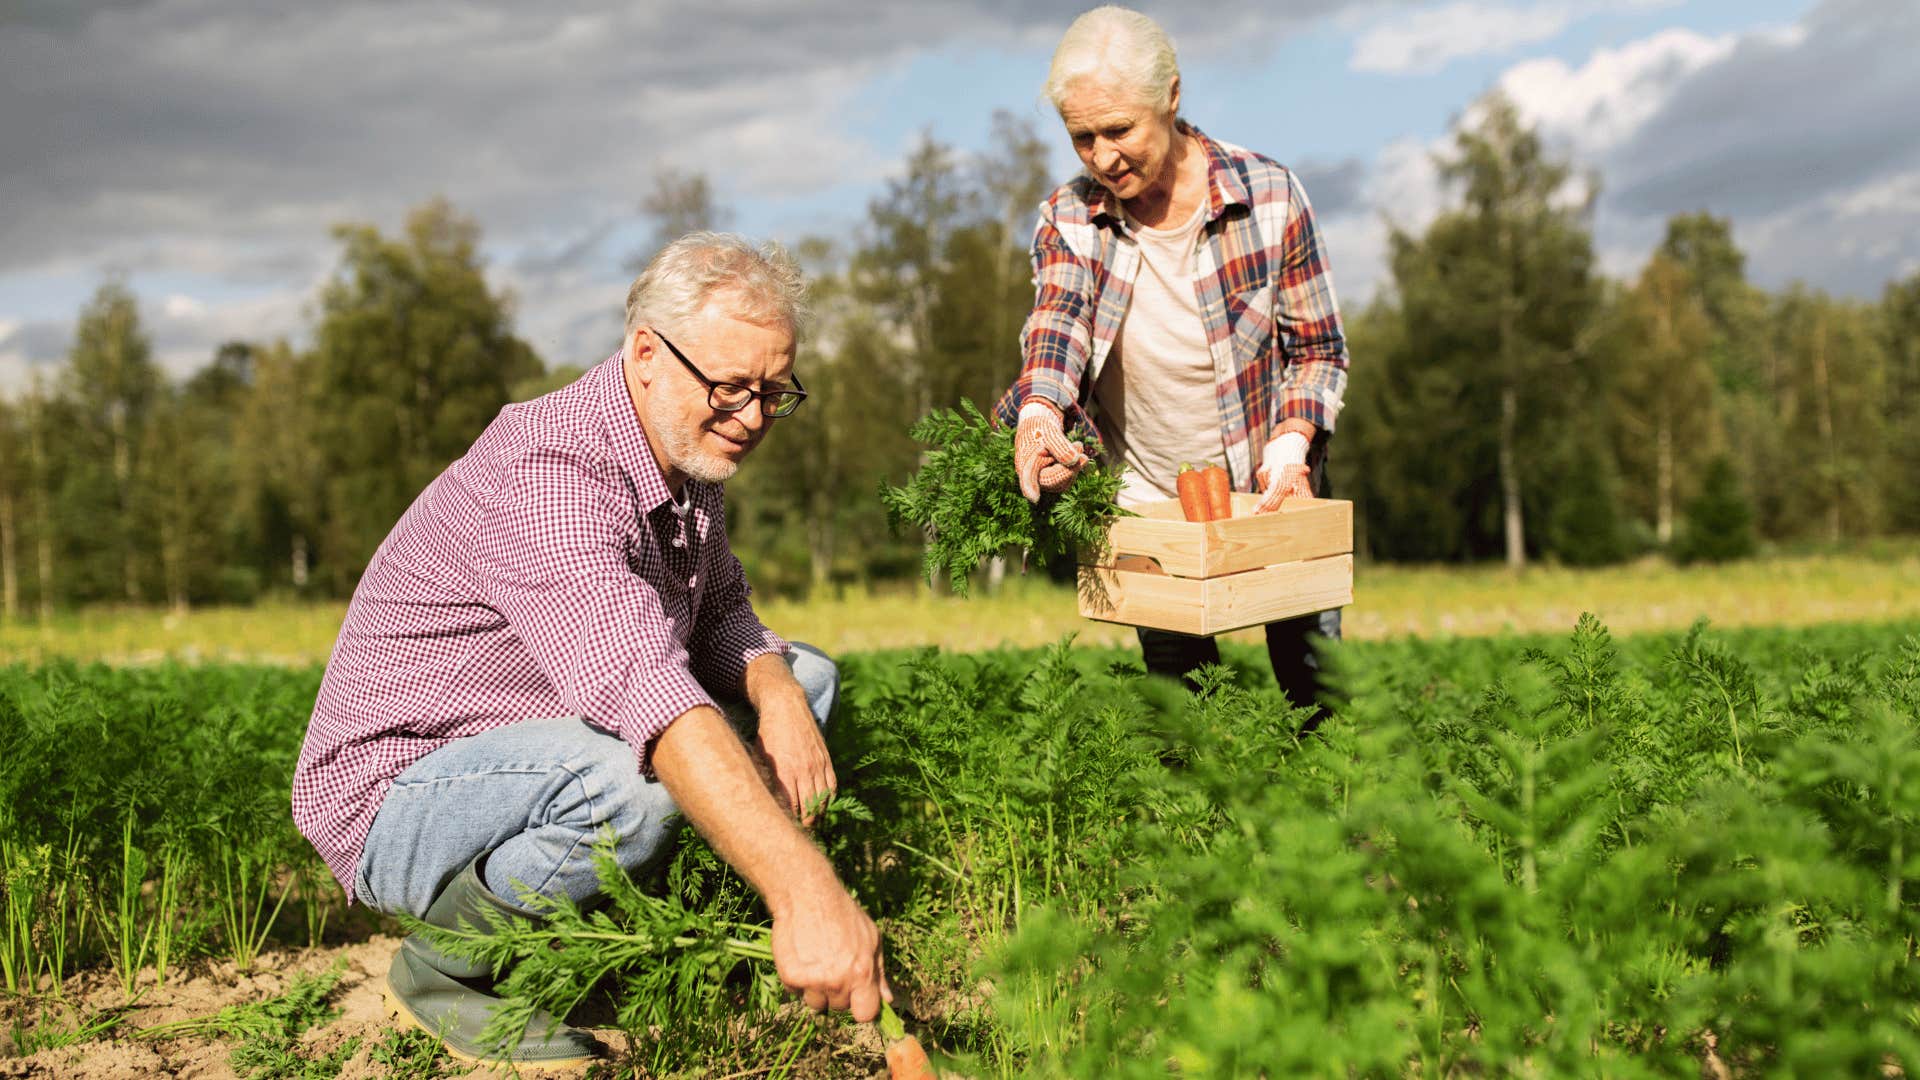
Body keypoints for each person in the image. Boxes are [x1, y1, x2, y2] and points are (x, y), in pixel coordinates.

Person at [292, 233, 889, 1065]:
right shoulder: (553, 474)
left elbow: (719, 611)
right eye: (728, 387)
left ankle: (612, 941)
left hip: (536, 743)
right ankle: (447, 969)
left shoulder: (681, 455)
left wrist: (779, 693)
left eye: (772, 392)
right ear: (646, 352)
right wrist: (807, 892)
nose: (751, 419)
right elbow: (650, 693)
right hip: (402, 792)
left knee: (803, 674)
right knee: (630, 786)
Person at [994, 5, 1351, 725]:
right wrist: (1037, 413)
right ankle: (1206, 837)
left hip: (1270, 483)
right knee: (1186, 707)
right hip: (1147, 497)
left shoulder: (1271, 197)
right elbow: (1058, 321)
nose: (1101, 156)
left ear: (1172, 97)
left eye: (1119, 130)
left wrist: (1291, 450)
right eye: (1082, 137)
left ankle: (1331, 824)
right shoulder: (1068, 218)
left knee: (1318, 690)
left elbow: (1317, 349)